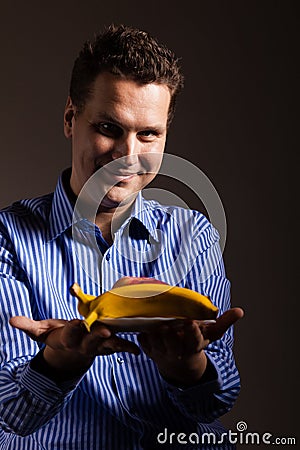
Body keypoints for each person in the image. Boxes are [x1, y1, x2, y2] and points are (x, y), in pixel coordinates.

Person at [0, 24, 243, 449]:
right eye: (110, 128)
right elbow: (12, 414)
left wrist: (188, 368)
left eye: (148, 134)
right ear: (70, 119)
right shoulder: (7, 239)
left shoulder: (194, 237)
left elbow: (215, 404)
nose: (127, 156)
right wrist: (59, 362)